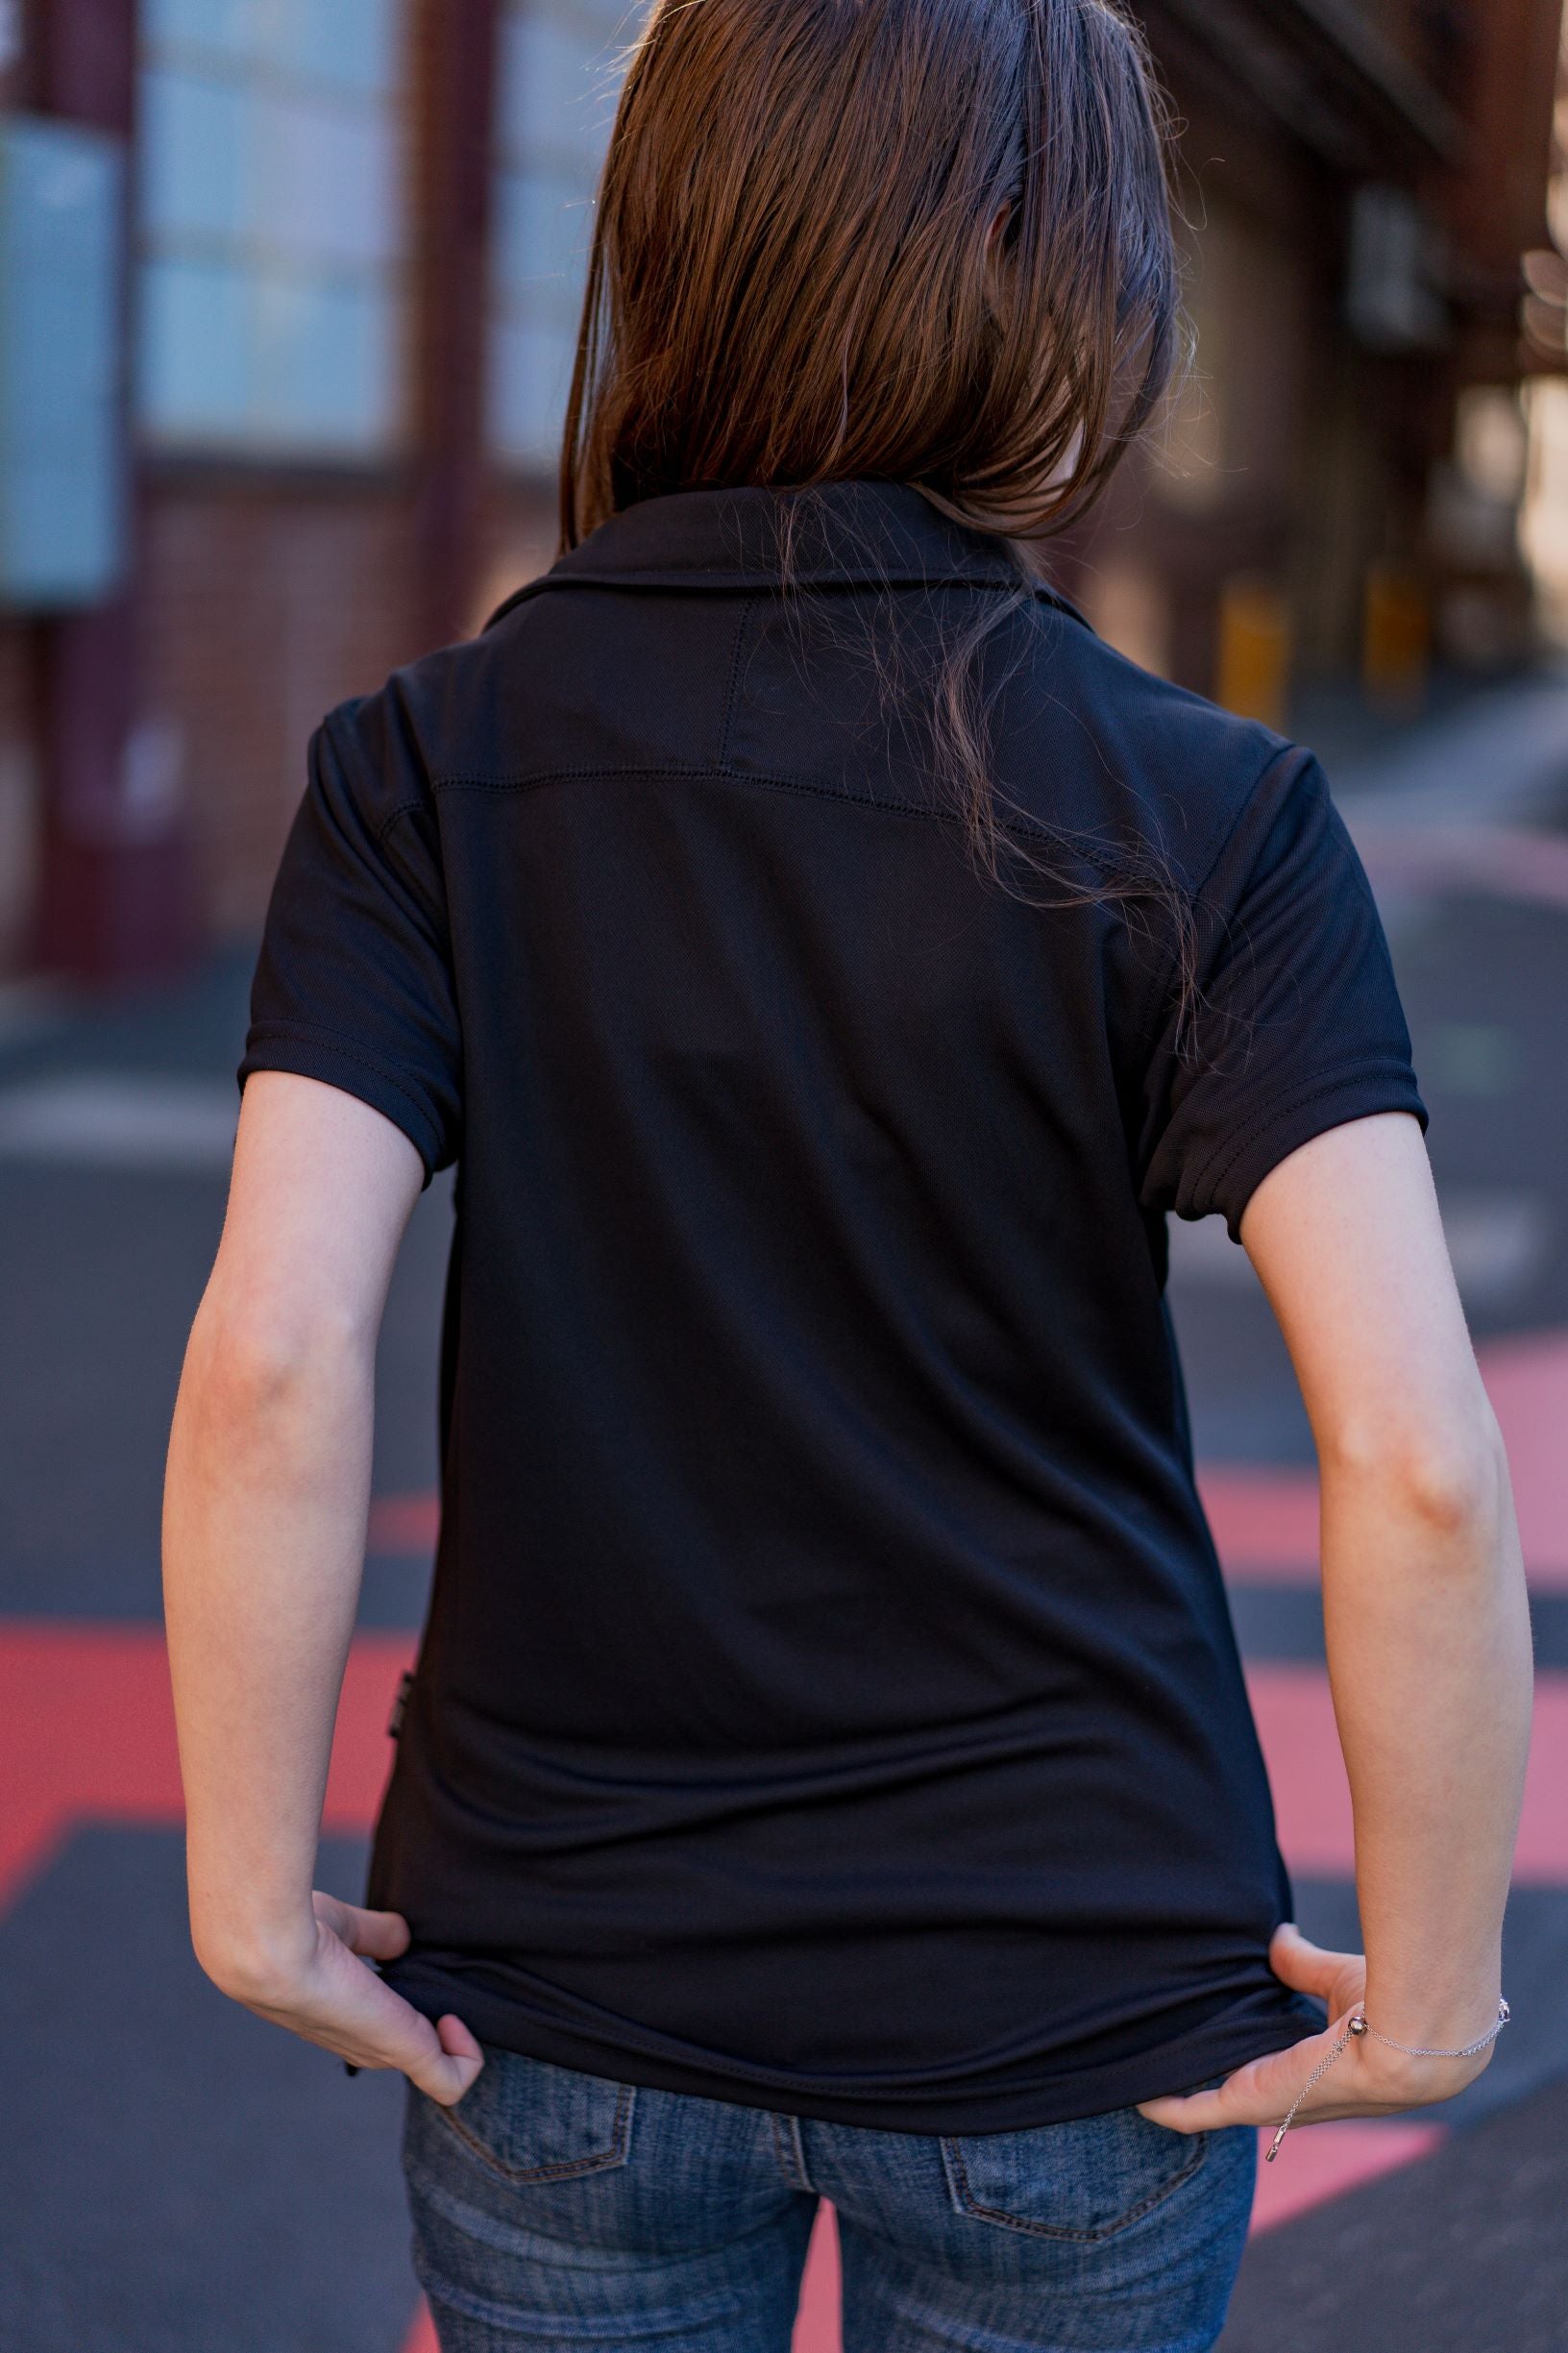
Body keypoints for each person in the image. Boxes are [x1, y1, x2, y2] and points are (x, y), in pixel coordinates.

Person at [161, 1, 1533, 2346]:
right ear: (1065, 285)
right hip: (1077, 2007)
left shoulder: (421, 769)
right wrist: (1435, 1983)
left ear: (671, 242)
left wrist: (246, 1890)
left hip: (561, 1993)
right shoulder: (1211, 809)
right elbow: (1414, 1452)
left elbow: (276, 1353)